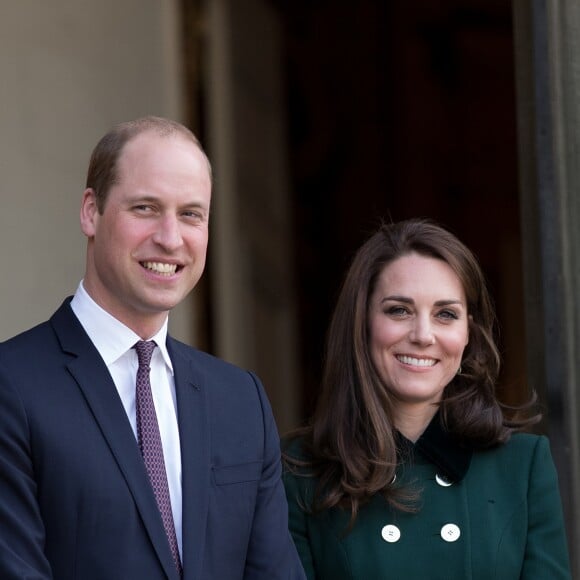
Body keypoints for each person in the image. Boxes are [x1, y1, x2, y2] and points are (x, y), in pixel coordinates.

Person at [0, 116, 305, 580]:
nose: (170, 237)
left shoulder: (241, 400)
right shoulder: (13, 386)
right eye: (145, 208)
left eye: (191, 214)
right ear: (90, 211)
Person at [283, 218, 571, 579]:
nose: (423, 335)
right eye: (399, 310)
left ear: (468, 332)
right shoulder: (298, 471)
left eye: (446, 314)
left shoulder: (523, 466)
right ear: (362, 323)